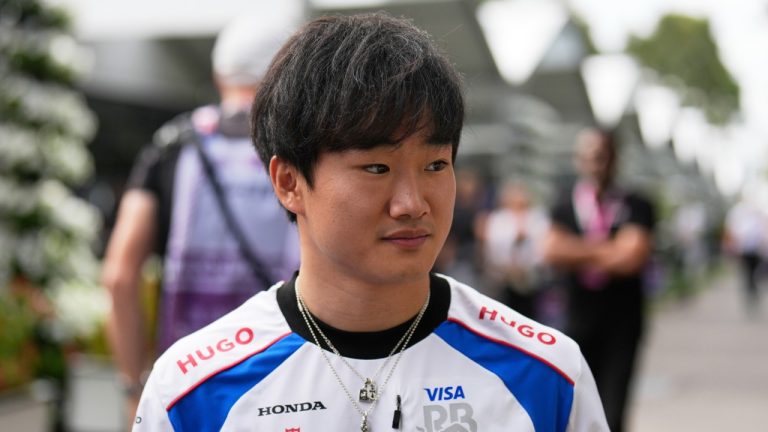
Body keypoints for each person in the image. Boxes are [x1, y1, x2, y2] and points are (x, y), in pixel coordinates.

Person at [133, 13, 608, 431]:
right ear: (289, 182)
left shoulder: (547, 376)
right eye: (377, 168)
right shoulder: (192, 393)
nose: (412, 204)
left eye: (436, 165)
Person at [101, 12, 301, 424]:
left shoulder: (173, 145)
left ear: (219, 73)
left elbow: (120, 274)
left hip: (190, 383)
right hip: (290, 377)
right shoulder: (304, 147)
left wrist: (134, 388)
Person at [543, 128, 656, 432]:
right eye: (588, 156)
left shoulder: (637, 204)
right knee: (575, 410)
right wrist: (610, 248)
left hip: (622, 323)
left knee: (613, 410)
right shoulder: (563, 204)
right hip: (576, 321)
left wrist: (576, 250)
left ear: (615, 158)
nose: (595, 164)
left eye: (601, 156)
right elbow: (552, 251)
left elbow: (631, 257)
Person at [482, 180, 550, 318]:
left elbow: (544, 246)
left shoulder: (537, 217)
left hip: (532, 279)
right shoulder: (498, 219)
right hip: (504, 279)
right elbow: (493, 249)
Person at [722, 195, 767, 312]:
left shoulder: (753, 211)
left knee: (752, 272)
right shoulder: (737, 212)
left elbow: (761, 228)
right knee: (748, 272)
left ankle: (752, 290)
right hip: (744, 248)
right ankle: (751, 292)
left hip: (753, 247)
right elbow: (731, 230)